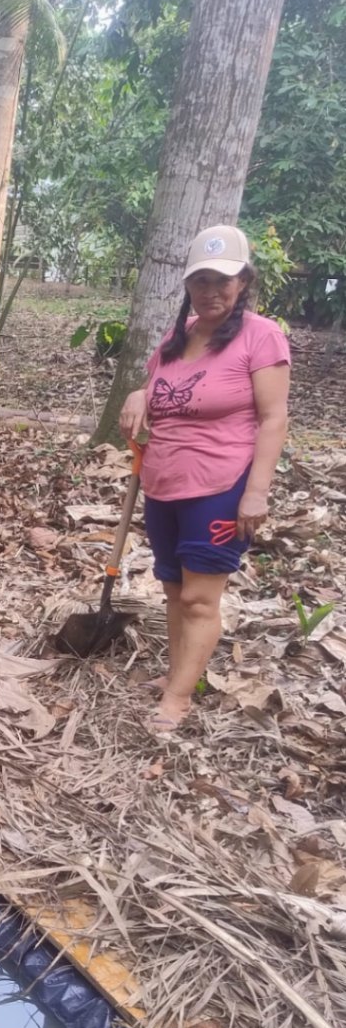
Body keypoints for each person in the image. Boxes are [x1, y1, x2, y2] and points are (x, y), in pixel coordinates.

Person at [119, 224, 290, 732]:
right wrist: (136, 394)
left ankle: (178, 698)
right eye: (201, 281)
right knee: (173, 588)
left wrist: (256, 492)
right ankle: (179, 673)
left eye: (223, 280)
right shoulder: (178, 337)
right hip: (163, 482)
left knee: (199, 597)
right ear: (188, 284)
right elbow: (158, 389)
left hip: (220, 486)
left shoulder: (262, 336)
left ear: (243, 282)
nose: (211, 291)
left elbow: (274, 418)